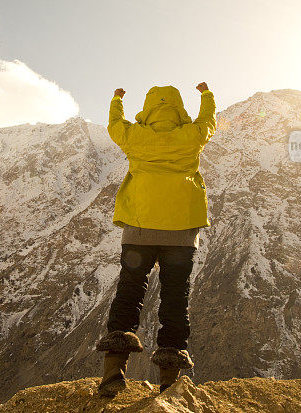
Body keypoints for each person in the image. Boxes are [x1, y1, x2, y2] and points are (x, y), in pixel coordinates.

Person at [95, 83, 217, 397]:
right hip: (181, 231)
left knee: (130, 290)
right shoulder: (190, 137)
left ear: (148, 108)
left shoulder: (136, 137)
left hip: (139, 226)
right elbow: (208, 122)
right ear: (179, 108)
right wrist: (206, 95)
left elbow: (114, 126)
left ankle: (112, 374)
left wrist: (117, 99)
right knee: (175, 298)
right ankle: (169, 380)